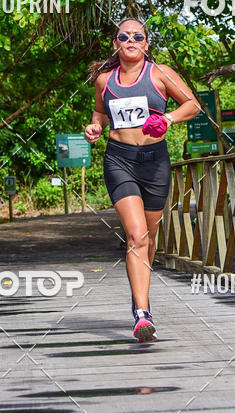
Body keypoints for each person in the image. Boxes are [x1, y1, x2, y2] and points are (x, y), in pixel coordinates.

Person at [85, 18, 200, 341]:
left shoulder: (160, 73)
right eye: (124, 36)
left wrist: (167, 118)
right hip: (119, 160)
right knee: (136, 236)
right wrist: (95, 127)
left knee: (148, 239)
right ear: (116, 43)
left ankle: (141, 298)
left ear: (146, 44)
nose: (131, 40)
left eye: (138, 36)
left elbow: (192, 105)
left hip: (155, 162)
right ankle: (141, 313)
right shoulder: (105, 80)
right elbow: (100, 113)